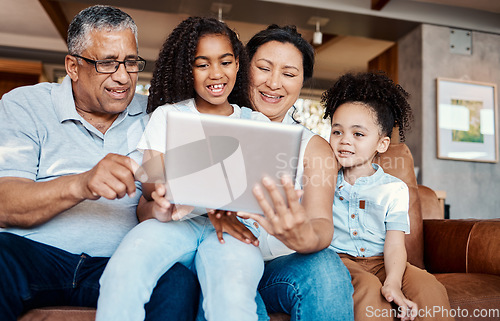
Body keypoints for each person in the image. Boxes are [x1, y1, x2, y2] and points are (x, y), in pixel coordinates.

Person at [0, 5, 199, 321]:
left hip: (120, 261)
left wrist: (168, 200)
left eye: (130, 62)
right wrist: (81, 183)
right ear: (73, 66)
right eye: (107, 63)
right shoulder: (25, 105)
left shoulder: (157, 116)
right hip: (34, 257)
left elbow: (159, 202)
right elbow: (5, 203)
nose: (122, 77)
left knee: (176, 281)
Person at [96, 17, 269, 321]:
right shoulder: (167, 116)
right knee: (121, 274)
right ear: (187, 69)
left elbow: (264, 195)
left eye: (225, 62)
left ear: (238, 64)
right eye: (202, 64)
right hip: (173, 225)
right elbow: (151, 183)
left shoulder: (257, 125)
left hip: (231, 231)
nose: (216, 73)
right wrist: (163, 192)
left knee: (231, 301)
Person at [210, 25, 355, 321]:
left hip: (277, 270)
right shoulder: (209, 125)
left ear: (302, 82)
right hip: (220, 264)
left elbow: (321, 225)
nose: (274, 83)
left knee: (325, 265)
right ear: (242, 69)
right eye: (263, 68)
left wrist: (299, 235)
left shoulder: (313, 148)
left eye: (288, 74)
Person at [322, 71, 454, 321]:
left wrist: (392, 281)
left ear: (381, 144)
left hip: (384, 260)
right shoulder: (324, 180)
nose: (344, 141)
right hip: (340, 262)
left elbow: (395, 243)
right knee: (370, 292)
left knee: (429, 287)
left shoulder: (394, 189)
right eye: (337, 132)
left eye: (358, 134)